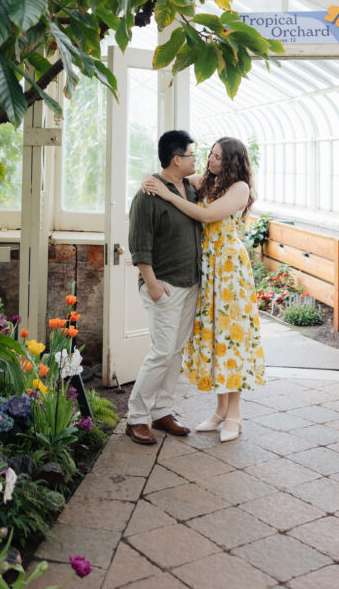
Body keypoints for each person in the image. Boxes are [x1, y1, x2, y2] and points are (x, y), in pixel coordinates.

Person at [142, 137, 265, 442]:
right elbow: (172, 177)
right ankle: (220, 410)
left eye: (218, 157)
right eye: (210, 154)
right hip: (208, 268)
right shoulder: (206, 182)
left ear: (232, 161)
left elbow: (208, 216)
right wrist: (149, 181)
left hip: (229, 268)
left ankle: (235, 415)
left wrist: (168, 197)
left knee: (231, 336)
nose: (211, 160)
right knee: (215, 337)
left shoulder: (240, 188)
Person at [125, 129, 202, 445]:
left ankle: (162, 412)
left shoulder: (190, 189)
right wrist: (153, 284)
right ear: (176, 159)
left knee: (175, 351)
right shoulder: (148, 195)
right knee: (161, 353)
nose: (196, 159)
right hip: (164, 286)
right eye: (192, 154)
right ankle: (136, 418)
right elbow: (139, 244)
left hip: (190, 284)